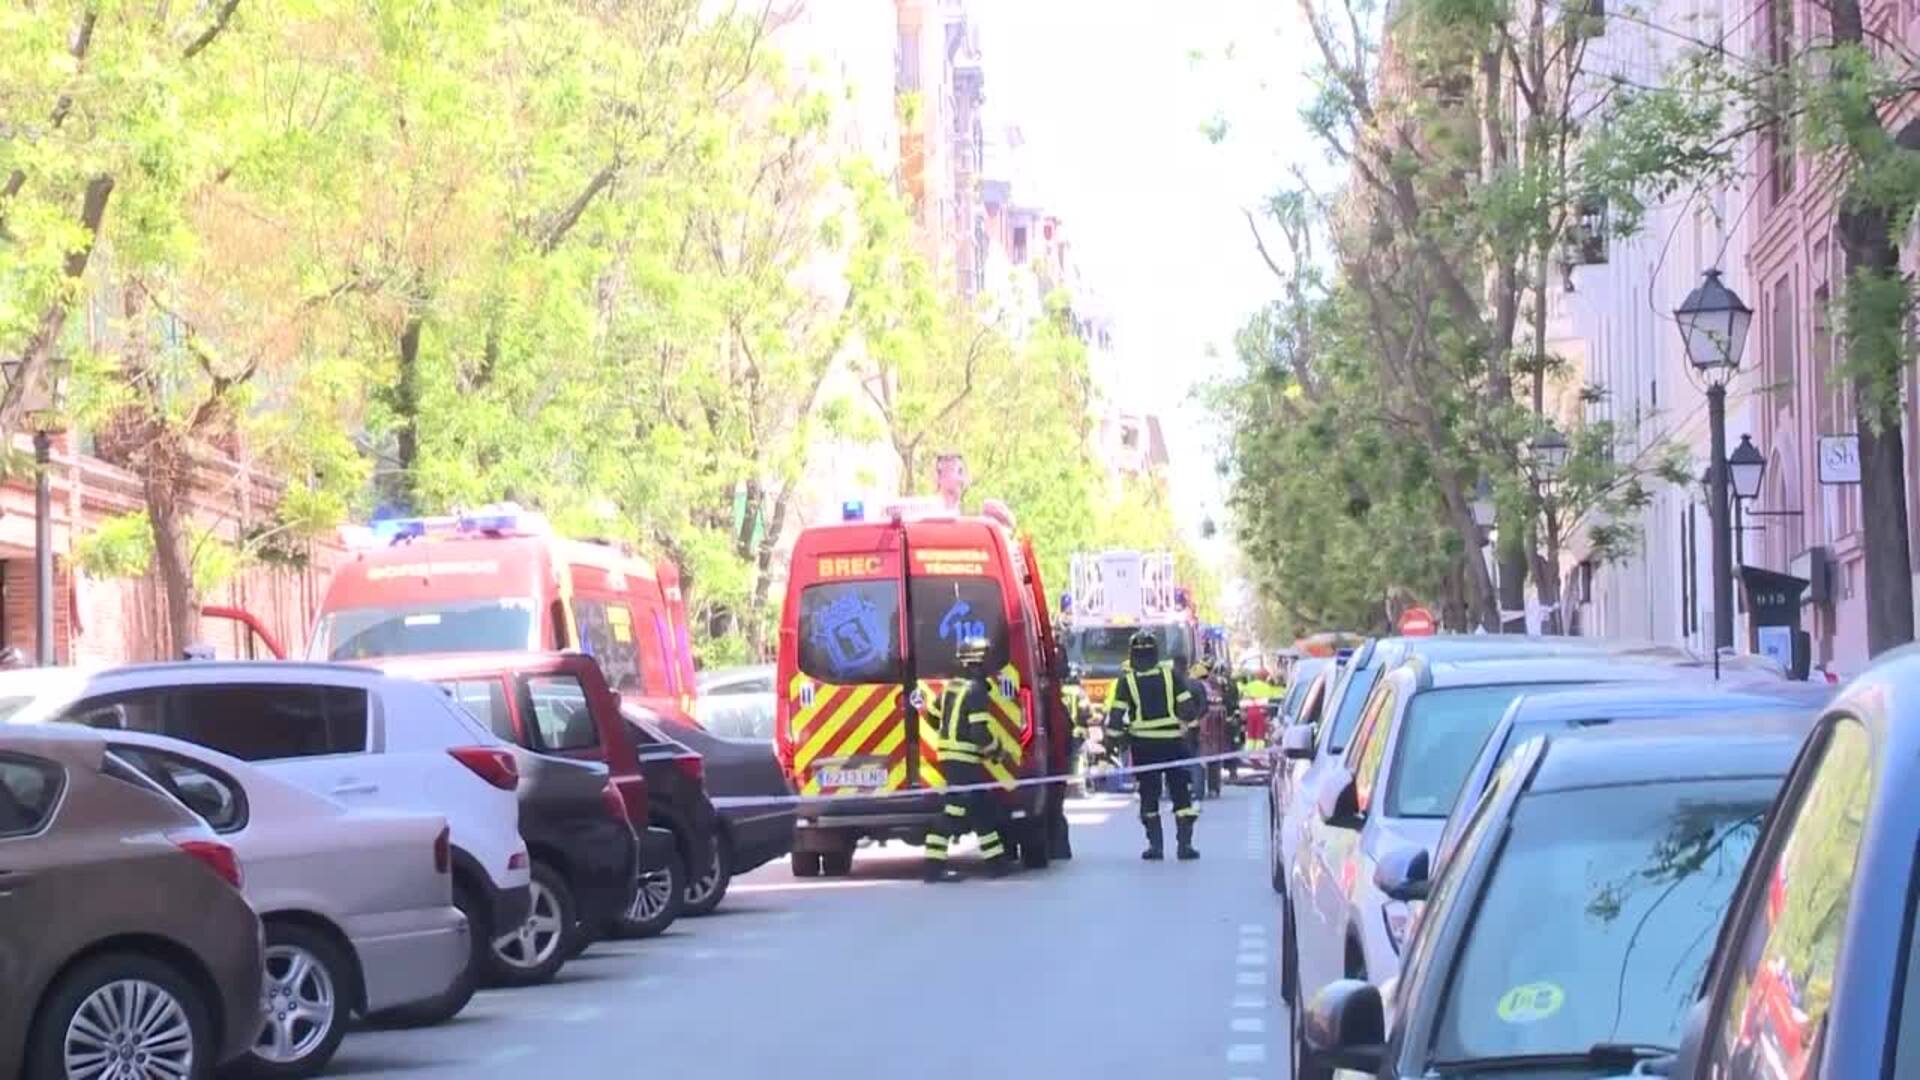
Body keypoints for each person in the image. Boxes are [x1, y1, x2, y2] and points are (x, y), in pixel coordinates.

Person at [1106, 629, 1204, 861]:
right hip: (1173, 745)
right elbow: (1188, 709)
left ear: (1132, 654)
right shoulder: (1171, 676)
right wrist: (1192, 732)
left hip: (1144, 748)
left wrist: (1114, 740)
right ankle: (1185, 846)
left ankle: (1156, 847)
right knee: (1181, 794)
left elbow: (1117, 716)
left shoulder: (1126, 681)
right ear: (1156, 653)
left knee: (1149, 795)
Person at [922, 635, 1012, 882]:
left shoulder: (953, 687)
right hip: (963, 759)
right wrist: (998, 752)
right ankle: (932, 867)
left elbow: (931, 716)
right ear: (980, 662)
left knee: (982, 809)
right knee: (955, 810)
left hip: (952, 756)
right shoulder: (976, 691)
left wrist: (949, 734)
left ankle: (997, 864)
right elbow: (979, 734)